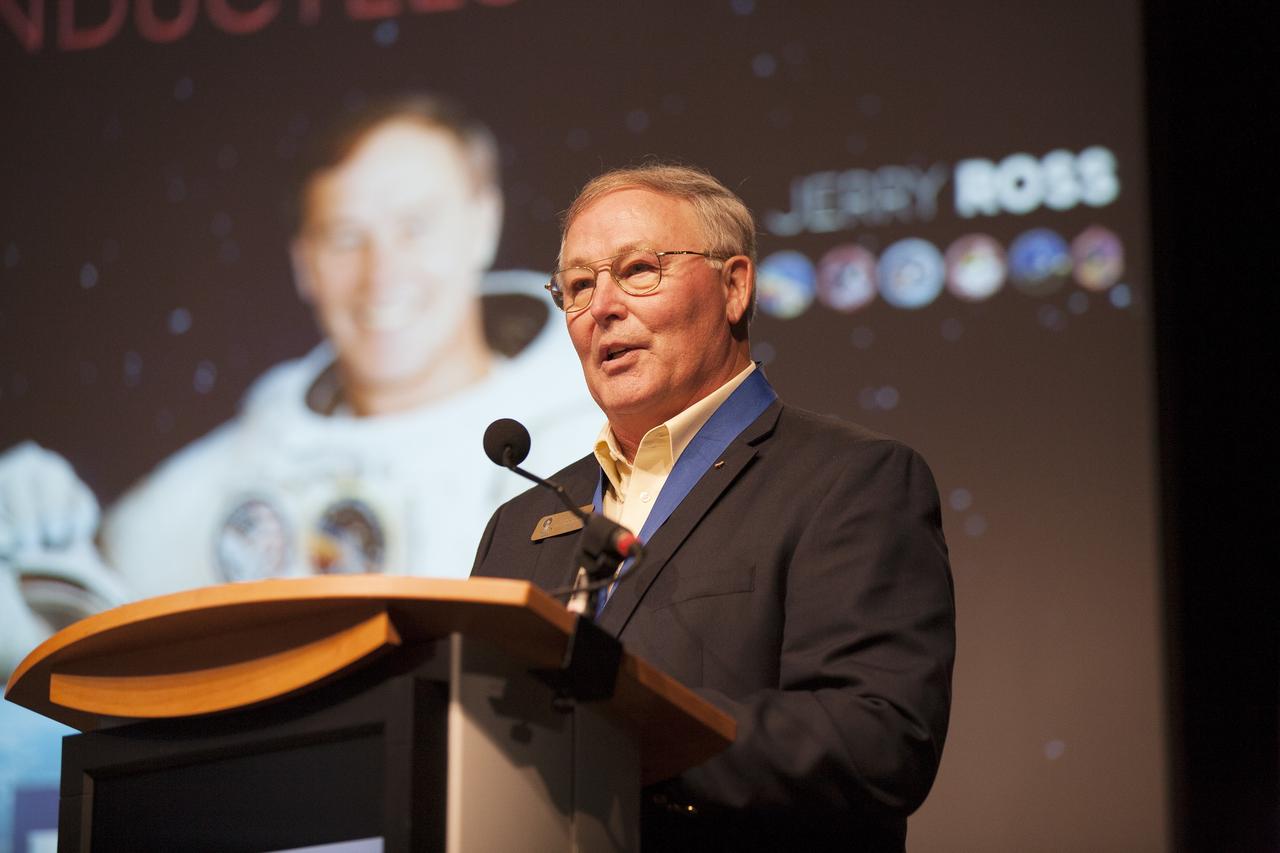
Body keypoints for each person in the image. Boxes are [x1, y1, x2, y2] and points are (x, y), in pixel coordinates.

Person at [0, 94, 600, 675]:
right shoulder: (243, 473)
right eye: (345, 237)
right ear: (303, 263)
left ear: (483, 223)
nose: (382, 272)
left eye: (415, 226)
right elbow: (87, 631)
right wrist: (30, 550)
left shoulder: (595, 433)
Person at [471, 163, 956, 851]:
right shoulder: (520, 525)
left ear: (734, 287)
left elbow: (877, 740)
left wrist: (633, 721)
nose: (601, 306)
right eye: (578, 285)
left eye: (638, 269)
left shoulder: (851, 482)